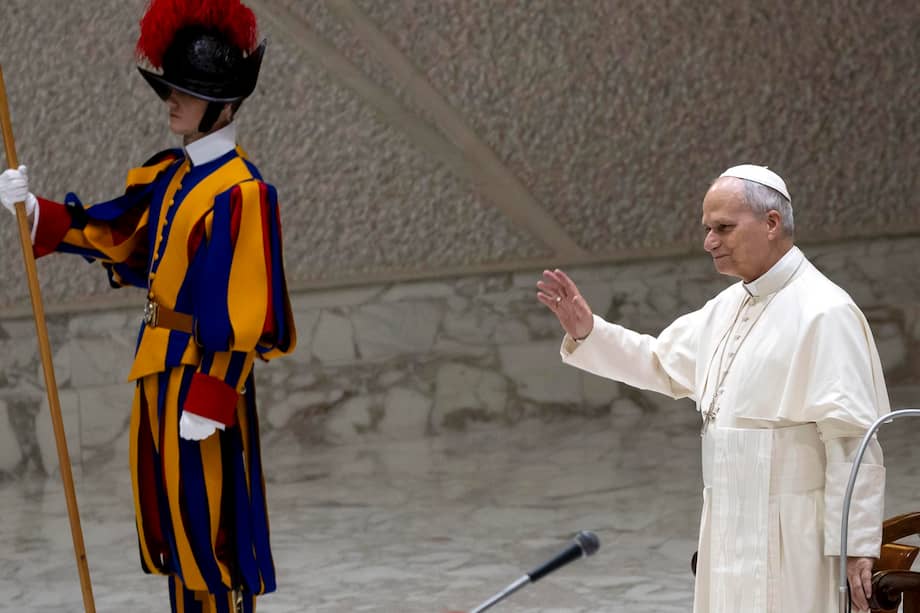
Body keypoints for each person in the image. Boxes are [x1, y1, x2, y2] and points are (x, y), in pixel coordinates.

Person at [0, 1, 295, 611]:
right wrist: (36, 213)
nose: (172, 101)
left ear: (226, 104)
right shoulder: (172, 176)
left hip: (199, 380)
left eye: (187, 91)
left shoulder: (242, 193)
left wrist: (213, 395)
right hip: (158, 371)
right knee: (173, 526)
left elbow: (247, 311)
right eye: (171, 88)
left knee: (210, 533)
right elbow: (122, 237)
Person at [537, 165, 887, 613]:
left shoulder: (826, 312)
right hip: (727, 520)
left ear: (772, 223)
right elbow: (660, 362)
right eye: (707, 229)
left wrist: (856, 545)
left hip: (795, 534)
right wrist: (590, 332)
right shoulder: (728, 305)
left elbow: (853, 443)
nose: (709, 243)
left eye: (723, 228)